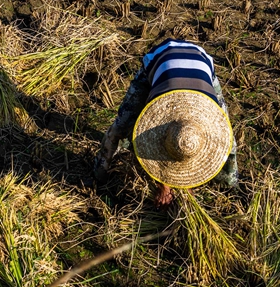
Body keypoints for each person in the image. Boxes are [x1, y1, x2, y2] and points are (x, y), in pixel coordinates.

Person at [95, 38, 238, 207]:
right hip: (160, 58)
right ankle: (99, 173)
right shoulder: (157, 108)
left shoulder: (211, 117)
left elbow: (220, 140)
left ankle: (229, 185)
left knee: (230, 142)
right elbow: (148, 139)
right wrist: (164, 186)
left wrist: (189, 183)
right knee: (122, 125)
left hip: (202, 60)